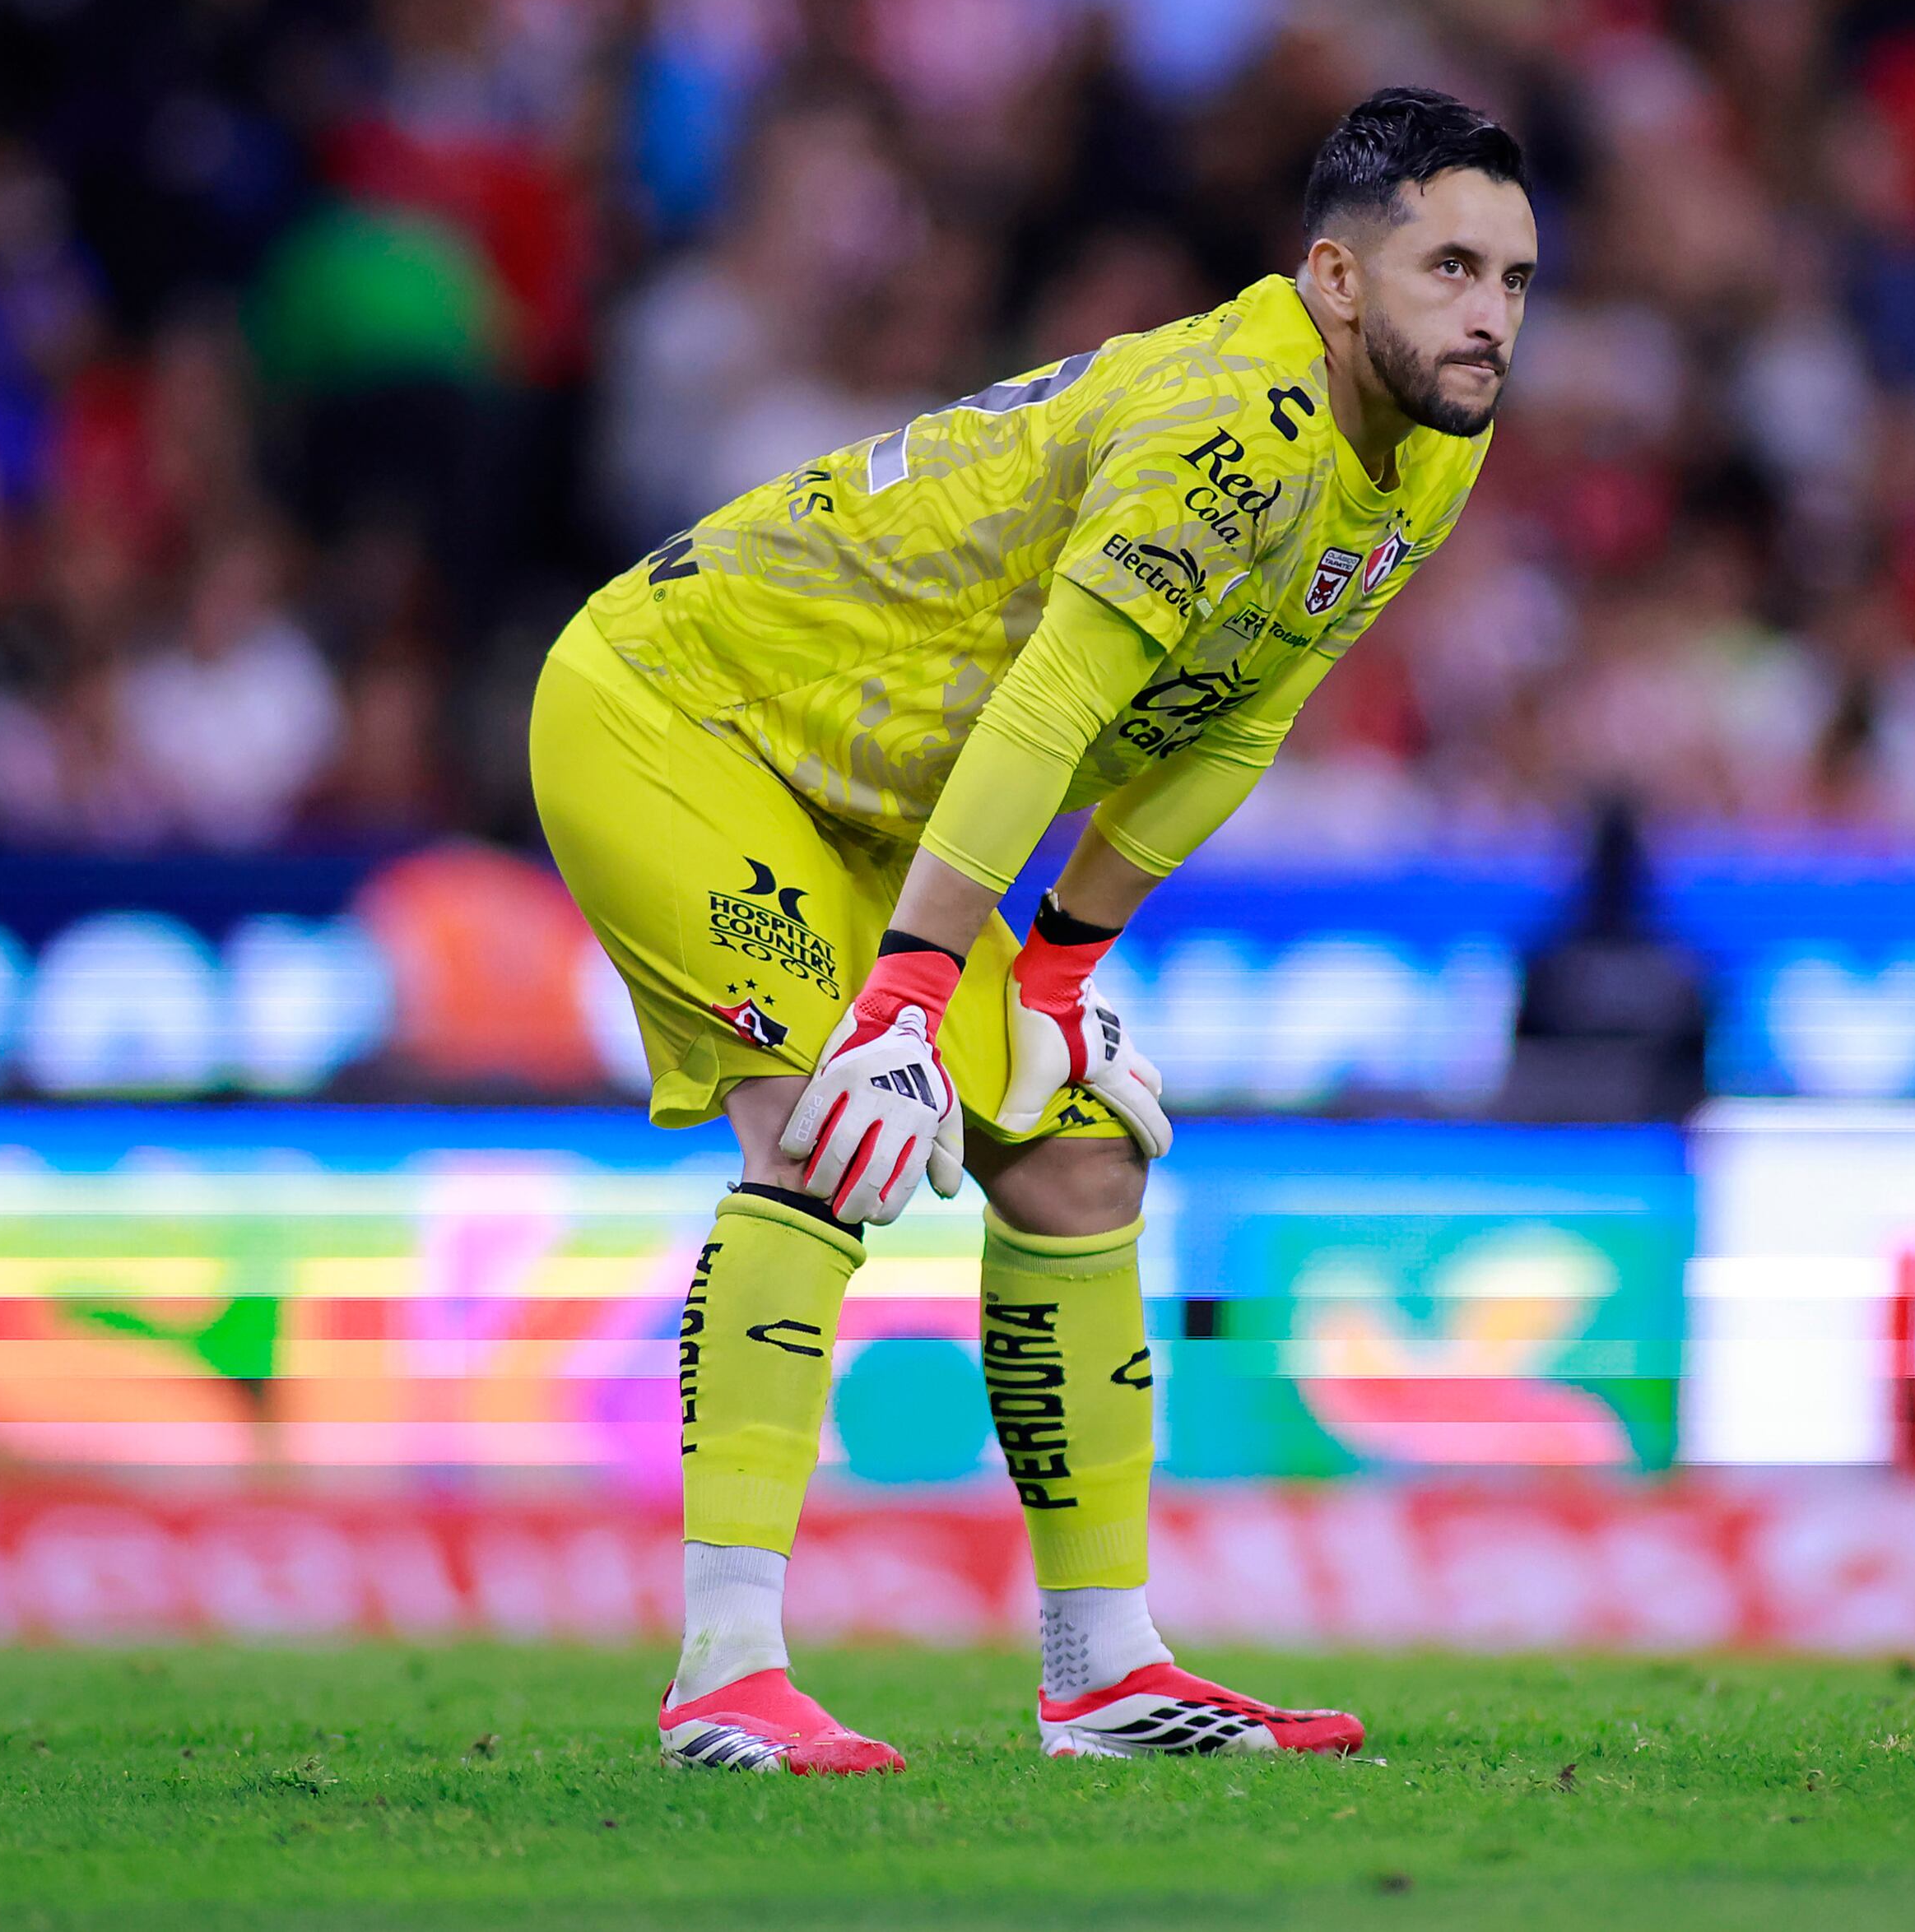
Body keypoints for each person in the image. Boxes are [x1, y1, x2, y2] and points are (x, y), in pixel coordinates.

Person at [528, 87, 1537, 1770]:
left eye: (1514, 276)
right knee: (831, 1130)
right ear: (1338, 280)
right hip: (682, 714)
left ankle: (1104, 1672)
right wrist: (917, 995)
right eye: (1451, 268)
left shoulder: (1431, 446)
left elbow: (1240, 715)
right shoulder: (1226, 431)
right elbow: (1055, 709)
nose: (1491, 316)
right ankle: (723, 1671)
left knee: (1076, 1159)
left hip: (877, 797)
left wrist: (1061, 963)